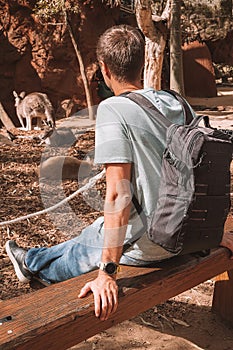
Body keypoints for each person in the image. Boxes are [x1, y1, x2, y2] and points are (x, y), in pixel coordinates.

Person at [6, 25, 233, 321]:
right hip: (189, 234)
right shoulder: (179, 103)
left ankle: (33, 264)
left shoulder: (113, 109)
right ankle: (30, 256)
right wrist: (210, 234)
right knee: (92, 231)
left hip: (155, 244)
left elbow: (118, 194)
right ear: (143, 63)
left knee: (85, 248)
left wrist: (108, 273)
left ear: (104, 68)